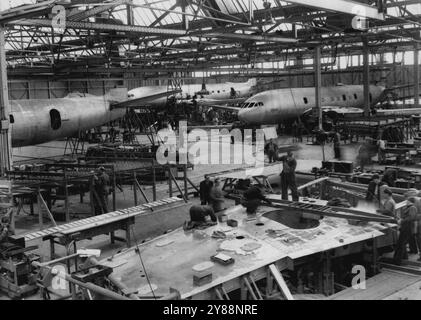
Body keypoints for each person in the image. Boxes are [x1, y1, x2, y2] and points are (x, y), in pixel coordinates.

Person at [394, 197, 418, 265]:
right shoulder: (409, 208)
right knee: (402, 243)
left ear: (410, 201)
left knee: (401, 244)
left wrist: (401, 221)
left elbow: (411, 217)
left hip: (408, 229)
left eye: (407, 201)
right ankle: (404, 258)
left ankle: (398, 260)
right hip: (405, 228)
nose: (406, 202)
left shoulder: (412, 208)